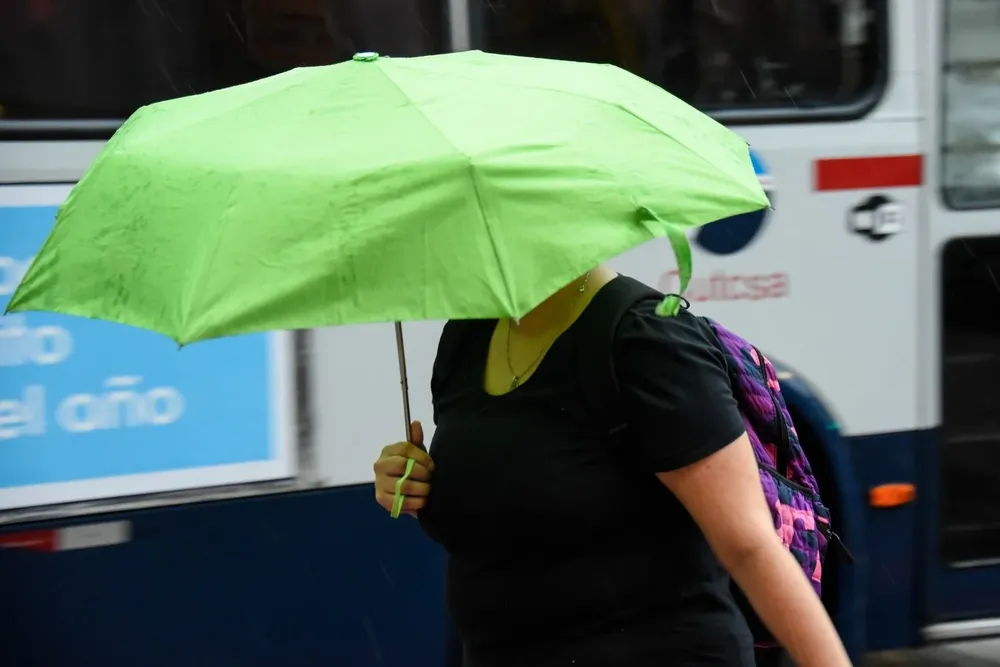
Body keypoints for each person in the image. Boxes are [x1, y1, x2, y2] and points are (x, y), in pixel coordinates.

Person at [372, 265, 851, 667]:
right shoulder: (470, 334)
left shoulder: (646, 339)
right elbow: (509, 505)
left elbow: (750, 547)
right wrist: (416, 485)